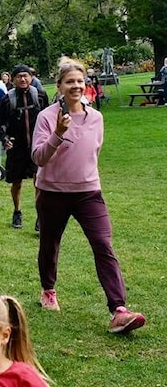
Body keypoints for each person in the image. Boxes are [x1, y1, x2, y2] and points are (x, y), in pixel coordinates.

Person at [31, 57, 146, 332]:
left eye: (80, 81)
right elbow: (38, 158)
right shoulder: (46, 117)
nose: (76, 86)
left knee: (103, 245)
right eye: (70, 81)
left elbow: (92, 153)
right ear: (59, 86)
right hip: (52, 192)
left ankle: (118, 309)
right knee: (50, 243)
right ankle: (48, 290)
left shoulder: (96, 117)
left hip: (88, 192)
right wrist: (58, 133)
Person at [0, 64, 47, 231]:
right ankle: (17, 211)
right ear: (13, 79)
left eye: (26, 76)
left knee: (39, 182)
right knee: (16, 182)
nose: (23, 79)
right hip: (16, 148)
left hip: (37, 146)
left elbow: (50, 117)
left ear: (31, 78)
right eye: (19, 76)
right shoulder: (7, 99)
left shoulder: (41, 96)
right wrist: (4, 139)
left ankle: (40, 216)